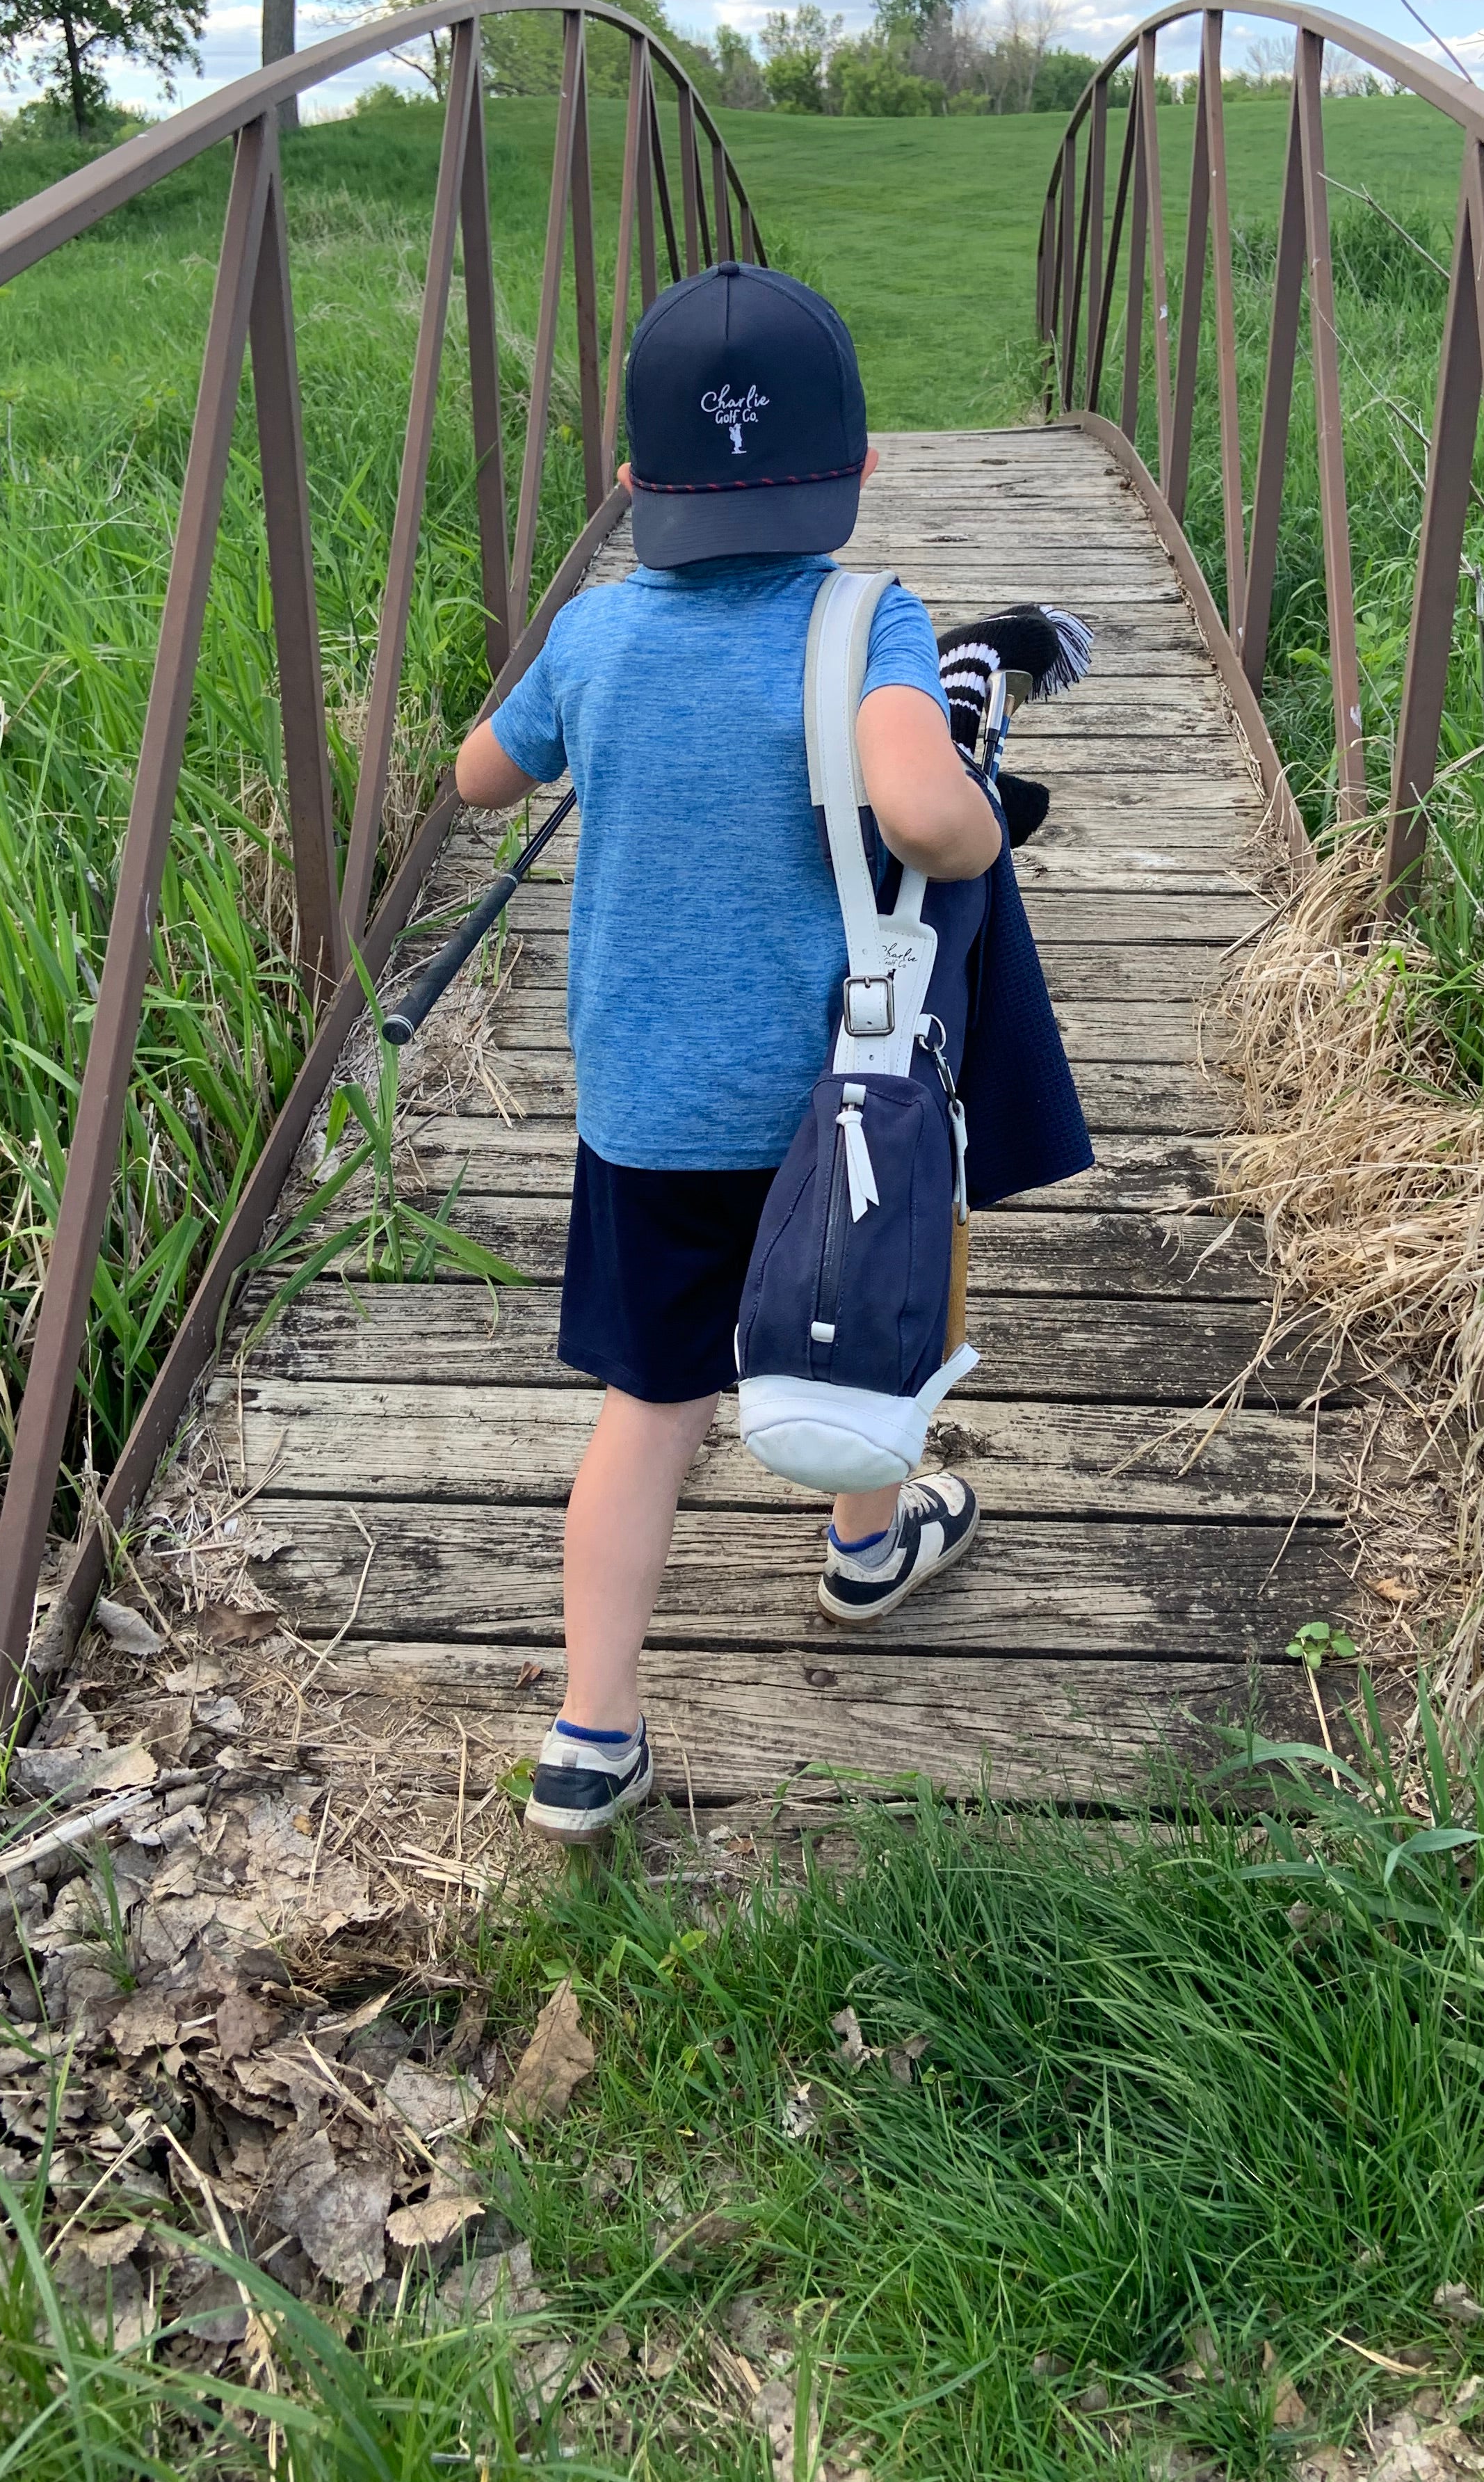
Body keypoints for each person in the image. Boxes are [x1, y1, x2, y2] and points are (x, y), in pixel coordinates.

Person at [455, 262, 1000, 1841]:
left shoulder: (596, 631)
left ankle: (591, 1731)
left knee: (650, 1404)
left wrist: (583, 702)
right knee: (864, 1307)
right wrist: (971, 810)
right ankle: (865, 1546)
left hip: (645, 1106)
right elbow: (921, 812)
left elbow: (485, 779)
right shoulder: (865, 618)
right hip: (828, 1105)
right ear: (859, 469)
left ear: (634, 482)